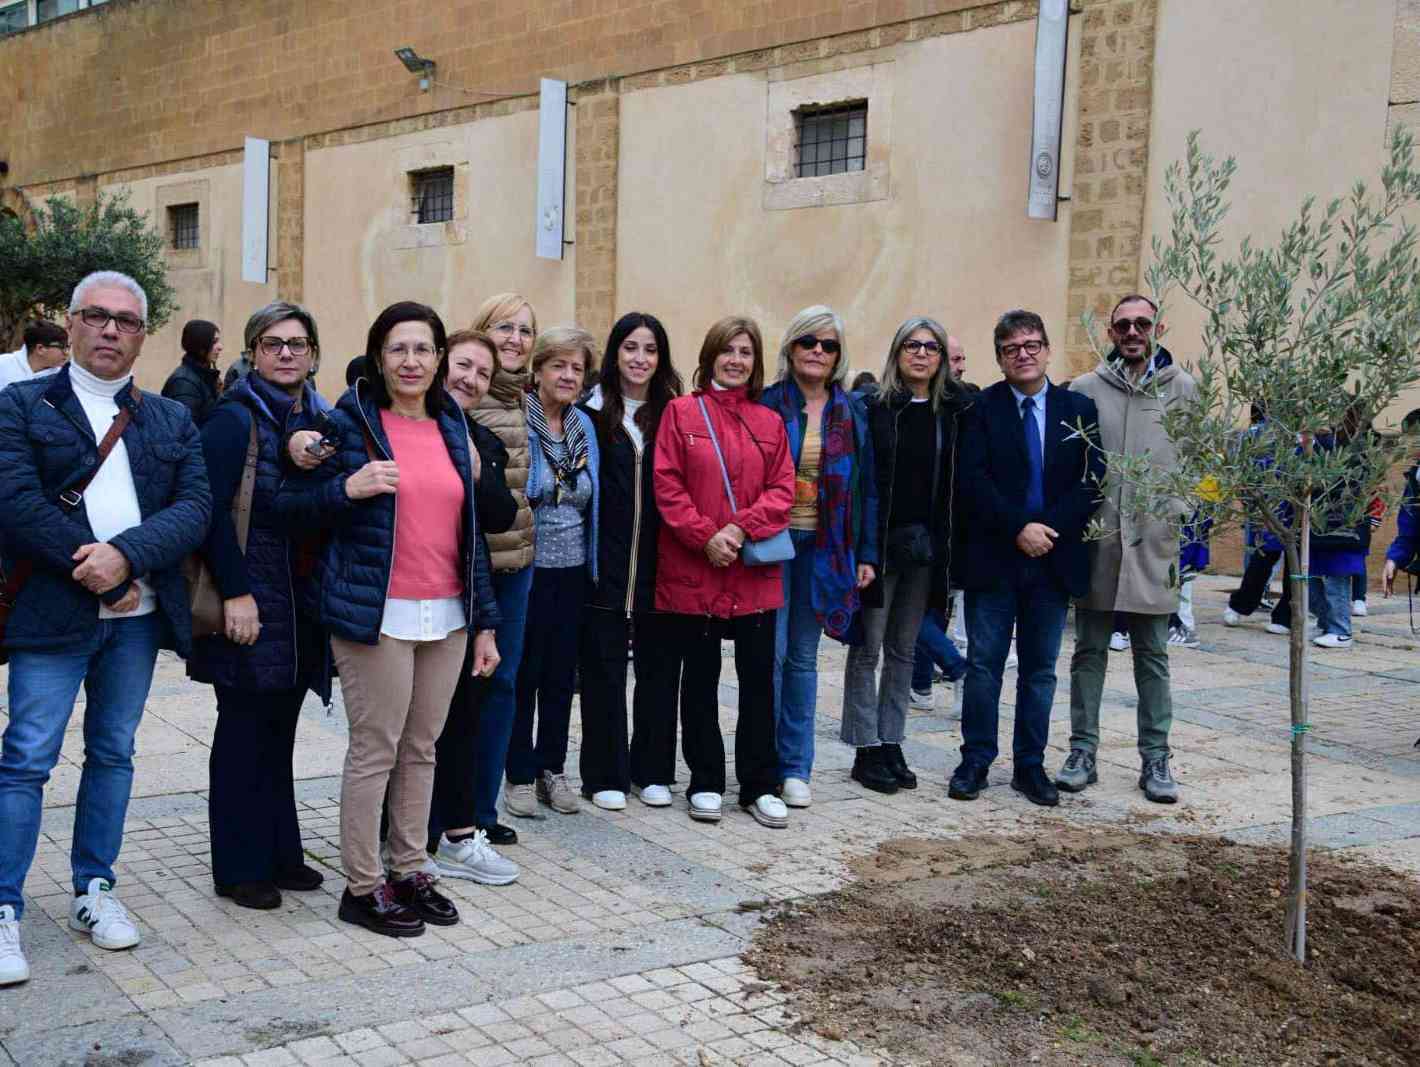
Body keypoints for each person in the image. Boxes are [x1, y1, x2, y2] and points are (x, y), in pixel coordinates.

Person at [0, 270, 212, 987]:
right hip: (51, 616)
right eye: (96, 316)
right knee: (27, 757)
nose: (110, 329)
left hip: (137, 621)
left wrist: (128, 557)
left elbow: (194, 508)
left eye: (125, 320)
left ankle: (95, 889)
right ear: (72, 322)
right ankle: (3, 908)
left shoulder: (169, 419)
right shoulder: (21, 404)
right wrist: (92, 564)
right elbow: (15, 502)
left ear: (141, 335)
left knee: (114, 752)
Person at [276, 301, 501, 938]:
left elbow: (473, 534)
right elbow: (291, 503)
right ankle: (363, 884)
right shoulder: (350, 422)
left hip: (449, 613)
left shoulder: (453, 424)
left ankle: (408, 867)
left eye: (423, 349)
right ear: (379, 356)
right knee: (376, 749)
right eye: (399, 349)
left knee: (423, 748)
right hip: (377, 614)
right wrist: (347, 487)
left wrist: (484, 623)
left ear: (437, 359)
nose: (411, 361)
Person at [189, 301, 333, 910]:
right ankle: (239, 866)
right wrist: (236, 593)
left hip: (299, 604)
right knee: (244, 732)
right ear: (252, 353)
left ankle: (280, 852)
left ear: (313, 355)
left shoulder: (318, 417)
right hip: (250, 599)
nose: (285, 354)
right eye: (272, 344)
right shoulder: (233, 420)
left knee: (279, 731)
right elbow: (209, 515)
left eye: (297, 344)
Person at [949, 309, 1103, 807]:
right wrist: (1019, 527)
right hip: (995, 559)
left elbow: (1091, 482)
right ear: (999, 357)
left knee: (1040, 671)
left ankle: (1029, 766)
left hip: (1053, 562)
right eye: (1012, 348)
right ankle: (975, 761)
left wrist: (1046, 531)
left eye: (1032, 345)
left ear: (1047, 349)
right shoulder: (978, 410)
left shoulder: (1079, 410)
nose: (1024, 355)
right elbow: (972, 481)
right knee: (984, 667)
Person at [653, 315, 795, 828]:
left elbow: (784, 490)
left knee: (760, 682)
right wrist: (704, 536)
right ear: (711, 355)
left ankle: (760, 784)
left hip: (752, 573)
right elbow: (667, 486)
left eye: (746, 352)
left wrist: (737, 530)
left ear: (756, 363)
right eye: (728, 350)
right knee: (701, 680)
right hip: (697, 570)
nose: (736, 360)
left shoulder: (770, 422)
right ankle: (706, 779)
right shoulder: (680, 413)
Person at [1059, 295, 1196, 804]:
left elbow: (1198, 459)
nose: (1133, 331)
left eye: (1142, 323)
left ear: (1158, 327)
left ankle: (1156, 758)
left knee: (1153, 656)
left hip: (1155, 546)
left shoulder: (1184, 390)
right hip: (1098, 542)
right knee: (1087, 652)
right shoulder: (1085, 390)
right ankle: (1082, 751)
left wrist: (1178, 515)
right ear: (1111, 331)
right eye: (1123, 324)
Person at [842, 317, 966, 793]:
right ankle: (864, 747)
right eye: (911, 345)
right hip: (879, 547)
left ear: (941, 357)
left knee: (904, 649)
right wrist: (860, 548)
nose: (920, 354)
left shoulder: (951, 410)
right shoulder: (874, 407)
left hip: (925, 550)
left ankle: (891, 740)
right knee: (867, 647)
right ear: (896, 353)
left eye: (930, 347)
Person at [761, 306, 878, 807]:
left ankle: (795, 767)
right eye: (809, 341)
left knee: (803, 659)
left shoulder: (851, 411)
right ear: (790, 347)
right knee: (772, 656)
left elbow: (867, 488)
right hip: (772, 546)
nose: (818, 352)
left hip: (826, 550)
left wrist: (866, 553)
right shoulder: (767, 405)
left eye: (828, 345)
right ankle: (761, 763)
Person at [419, 329, 520, 884]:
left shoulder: (483, 440)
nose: (470, 379)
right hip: (404, 597)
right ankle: (406, 843)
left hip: (460, 596)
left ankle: (458, 835)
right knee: (408, 730)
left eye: (483, 373)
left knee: (461, 720)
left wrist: (478, 473)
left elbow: (502, 515)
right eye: (463, 365)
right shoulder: (402, 425)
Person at [579, 312, 684, 810]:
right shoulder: (591, 413)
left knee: (659, 668)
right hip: (606, 563)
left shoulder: (675, 414)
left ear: (661, 358)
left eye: (650, 349)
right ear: (614, 354)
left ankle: (654, 769)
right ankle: (605, 773)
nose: (640, 359)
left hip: (663, 564)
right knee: (603, 670)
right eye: (630, 348)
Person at [505, 328, 601, 816]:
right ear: (538, 369)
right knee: (525, 672)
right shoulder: (521, 423)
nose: (567, 375)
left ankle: (553, 769)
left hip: (574, 568)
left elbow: (593, 500)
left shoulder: (585, 427)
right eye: (558, 365)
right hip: (529, 567)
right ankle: (518, 773)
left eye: (577, 368)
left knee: (563, 675)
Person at [466, 293, 538, 838]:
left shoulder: (520, 400)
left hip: (517, 564)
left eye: (525, 331)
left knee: (502, 689)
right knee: (467, 694)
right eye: (504, 327)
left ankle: (482, 812)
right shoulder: (468, 397)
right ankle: (458, 814)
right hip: (474, 568)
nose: (515, 338)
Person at [161, 319, 224, 424]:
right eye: (214, 342)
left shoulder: (203, 377)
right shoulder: (184, 383)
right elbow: (186, 431)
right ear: (200, 345)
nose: (220, 347)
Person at [0, 321, 68, 391]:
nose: (66, 353)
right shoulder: (3, 364)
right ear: (40, 349)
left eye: (67, 347)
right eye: (62, 347)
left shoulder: (63, 377)